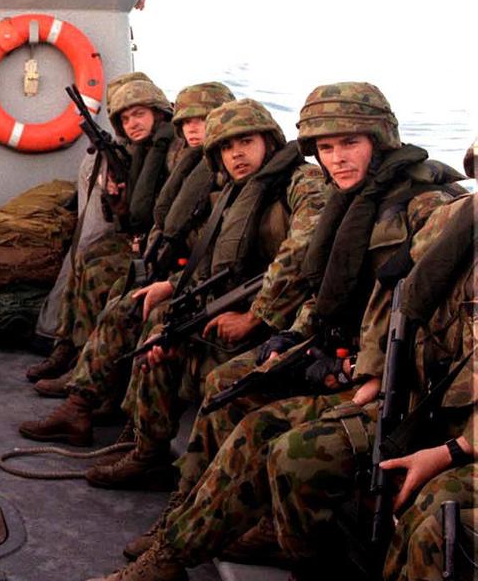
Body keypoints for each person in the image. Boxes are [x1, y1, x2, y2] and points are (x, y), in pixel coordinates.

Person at [97, 83, 464, 581]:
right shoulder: (352, 202)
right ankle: (174, 538)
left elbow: (418, 307)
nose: (336, 159)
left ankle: (191, 546)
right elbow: (331, 290)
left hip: (408, 390)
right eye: (327, 148)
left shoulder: (428, 209)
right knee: (235, 390)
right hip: (341, 356)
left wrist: (364, 366)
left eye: (349, 144)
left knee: (276, 440)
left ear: (379, 141)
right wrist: (289, 339)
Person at [83, 99, 327, 491]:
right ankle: (148, 451)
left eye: (246, 141)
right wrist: (173, 285)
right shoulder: (233, 195)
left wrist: (255, 317)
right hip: (238, 311)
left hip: (286, 324)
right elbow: (214, 262)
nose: (237, 154)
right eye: (227, 148)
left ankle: (195, 493)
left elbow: (300, 250)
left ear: (269, 140)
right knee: (160, 335)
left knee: (220, 377)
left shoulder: (303, 183)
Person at [18, 83, 235, 446]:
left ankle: (104, 414)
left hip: (201, 282)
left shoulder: (222, 172)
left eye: (204, 121)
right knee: (101, 271)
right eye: (190, 122)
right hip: (177, 266)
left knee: (127, 304)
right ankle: (79, 378)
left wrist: (168, 277)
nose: (196, 129)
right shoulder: (187, 160)